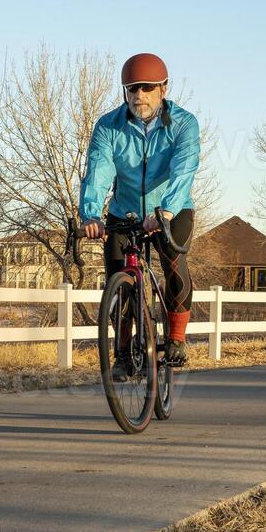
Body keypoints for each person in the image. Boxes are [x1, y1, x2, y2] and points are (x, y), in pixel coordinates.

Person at [79, 52, 201, 367]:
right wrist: (91, 214)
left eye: (147, 88)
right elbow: (99, 170)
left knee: (174, 264)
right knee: (118, 278)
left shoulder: (184, 124)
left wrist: (167, 211)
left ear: (163, 88)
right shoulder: (108, 127)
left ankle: (175, 339)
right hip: (125, 211)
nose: (139, 95)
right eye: (132, 88)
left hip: (172, 209)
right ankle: (122, 354)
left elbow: (184, 169)